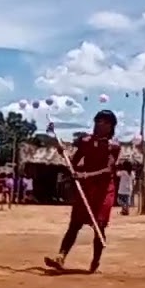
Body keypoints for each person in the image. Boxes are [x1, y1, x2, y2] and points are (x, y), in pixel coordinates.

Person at [44, 111, 129, 274]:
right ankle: (60, 257)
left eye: (103, 122)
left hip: (104, 190)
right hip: (86, 188)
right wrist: (64, 154)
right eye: (97, 121)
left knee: (99, 226)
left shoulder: (114, 146)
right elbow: (74, 163)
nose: (99, 124)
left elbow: (108, 169)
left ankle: (95, 260)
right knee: (74, 224)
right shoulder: (85, 141)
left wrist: (86, 175)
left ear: (111, 126)